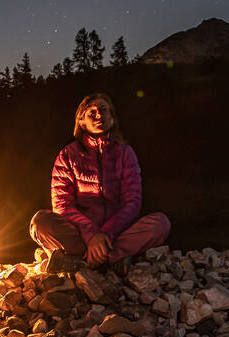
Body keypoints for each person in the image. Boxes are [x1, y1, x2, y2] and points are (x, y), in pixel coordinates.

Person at [30, 92, 170, 272]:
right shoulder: (67, 155)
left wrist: (105, 234)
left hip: (116, 233)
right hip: (81, 233)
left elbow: (132, 202)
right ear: (81, 121)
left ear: (112, 119)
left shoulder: (125, 153)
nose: (99, 115)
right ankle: (115, 259)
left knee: (160, 223)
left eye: (104, 110)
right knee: (40, 222)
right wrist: (91, 234)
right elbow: (62, 205)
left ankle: (85, 260)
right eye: (92, 112)